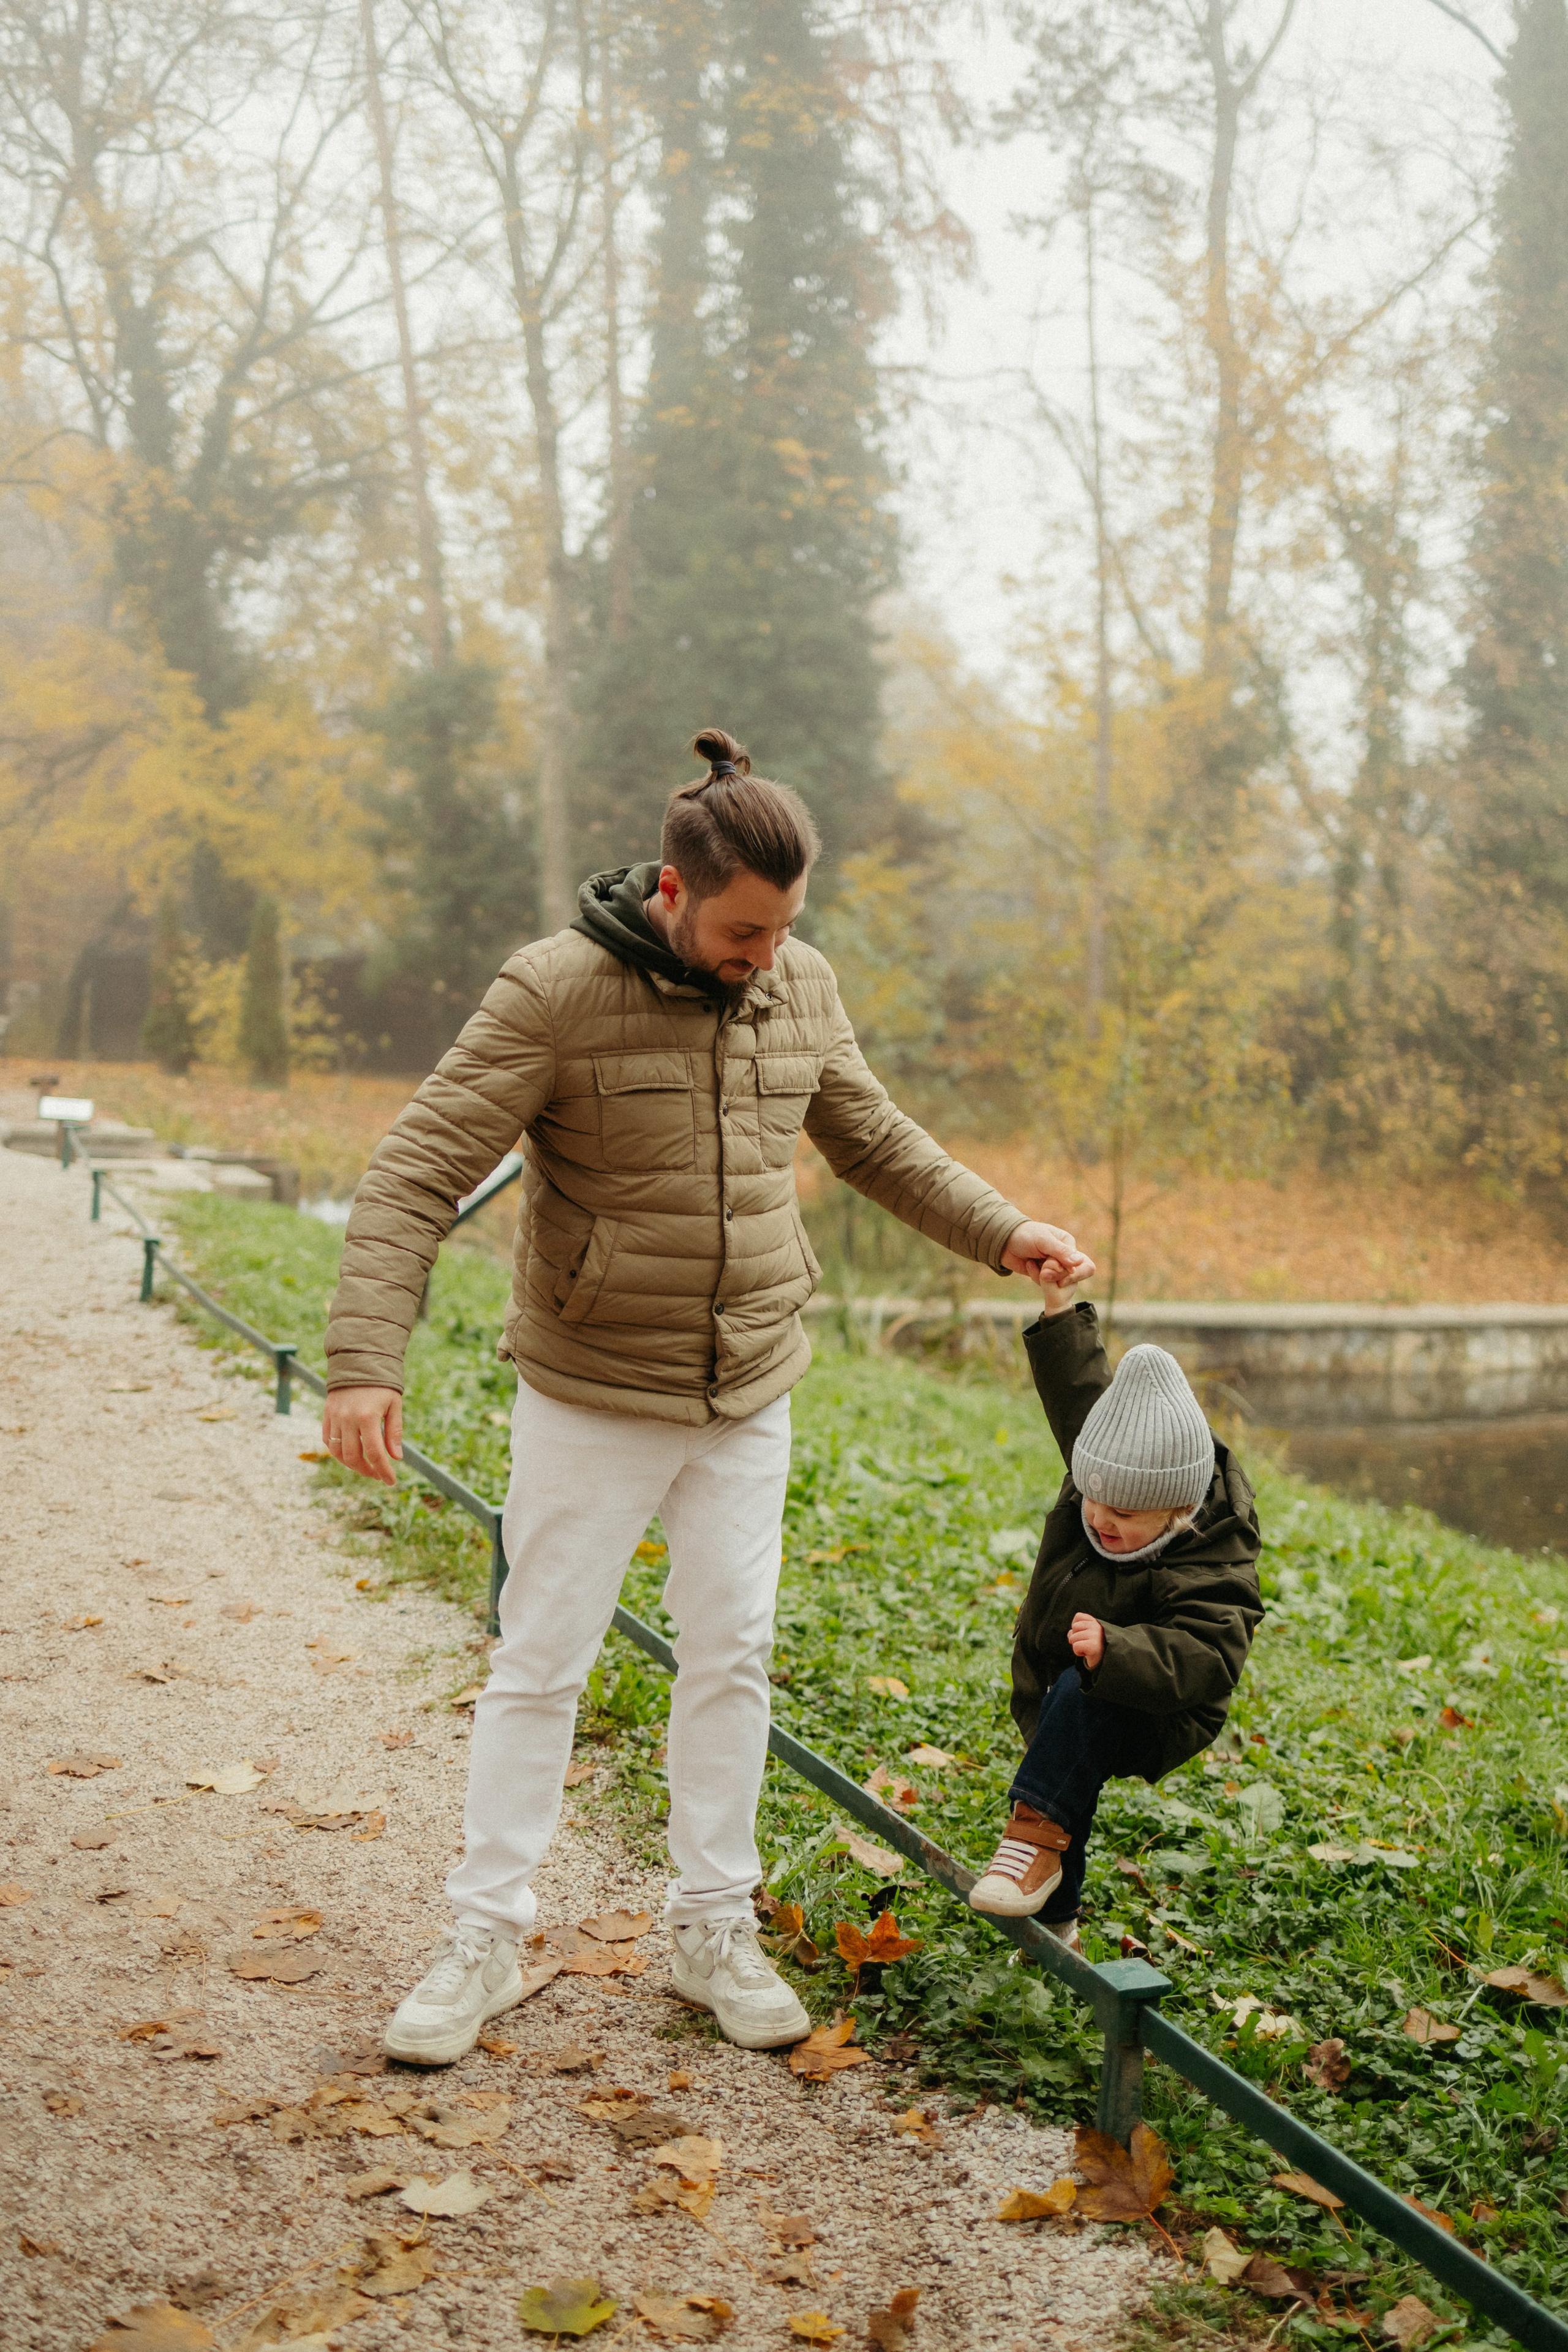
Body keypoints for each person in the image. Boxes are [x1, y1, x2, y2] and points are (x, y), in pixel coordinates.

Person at [322, 727, 1093, 2064]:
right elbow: (411, 1173)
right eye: (743, 931)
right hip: (590, 1391)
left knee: (729, 1657)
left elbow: (873, 1138)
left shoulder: (797, 982)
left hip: (748, 1390)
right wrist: (360, 1362)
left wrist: (1001, 1231)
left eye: (784, 929)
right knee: (538, 1665)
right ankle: (483, 1940)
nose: (765, 956)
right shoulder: (552, 991)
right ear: (673, 894)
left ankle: (709, 1930)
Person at [968, 1264, 1262, 1945]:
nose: (1099, 1518)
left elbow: (1209, 1654)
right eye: (1089, 1496)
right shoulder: (1107, 1469)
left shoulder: (1211, 1545)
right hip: (1069, 1671)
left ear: (1179, 1510)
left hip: (1159, 1704)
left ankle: (1028, 1842)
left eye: (1124, 1514)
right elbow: (1079, 1396)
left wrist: (1116, 1649)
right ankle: (1056, 1918)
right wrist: (1058, 1309)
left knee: (1078, 1718)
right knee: (1067, 1768)